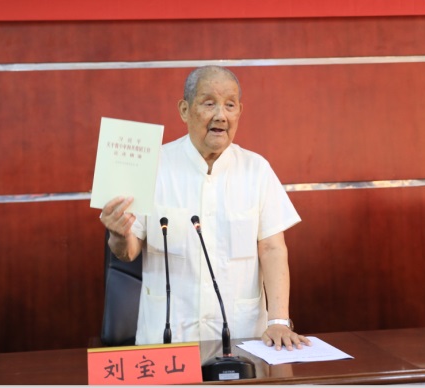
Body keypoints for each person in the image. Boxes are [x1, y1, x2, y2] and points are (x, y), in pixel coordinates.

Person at [100, 65, 310, 351]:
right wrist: (118, 233)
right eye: (209, 103)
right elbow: (127, 251)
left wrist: (279, 321)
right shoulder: (152, 165)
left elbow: (272, 249)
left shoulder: (256, 170)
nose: (221, 115)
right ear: (185, 110)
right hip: (168, 341)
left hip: (242, 339)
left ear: (239, 112)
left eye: (230, 105)